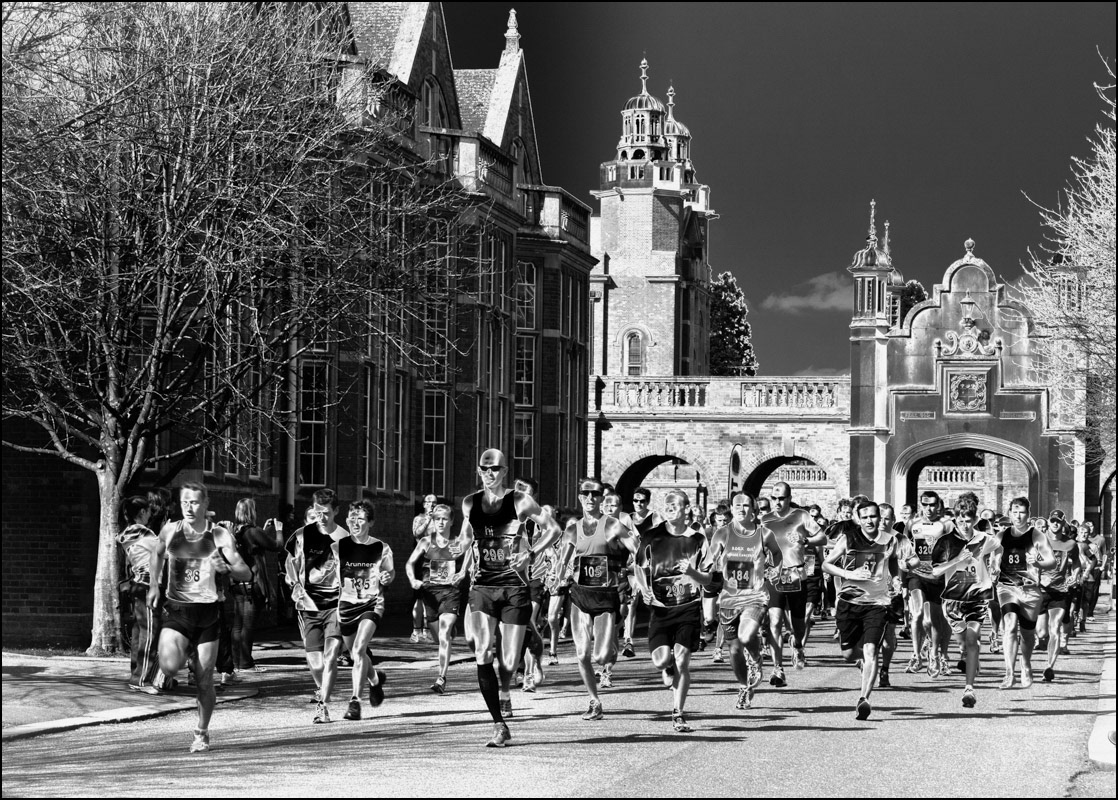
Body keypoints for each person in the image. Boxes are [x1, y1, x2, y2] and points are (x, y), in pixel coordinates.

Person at [460, 448, 562, 748]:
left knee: (507, 659)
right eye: (485, 469)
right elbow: (466, 536)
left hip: (515, 587)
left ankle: (507, 686)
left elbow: (553, 529)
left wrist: (531, 552)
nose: (490, 474)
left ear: (505, 472)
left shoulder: (519, 500)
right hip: (483, 587)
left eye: (496, 469)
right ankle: (499, 724)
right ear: (479, 470)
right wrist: (455, 548)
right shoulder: (470, 503)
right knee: (482, 652)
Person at [147, 482, 252, 753]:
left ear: (206, 504)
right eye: (185, 503)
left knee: (205, 680)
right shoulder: (171, 530)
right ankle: (180, 655)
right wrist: (155, 585)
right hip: (179, 610)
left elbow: (245, 572)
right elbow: (156, 554)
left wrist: (226, 567)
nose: (189, 507)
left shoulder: (218, 535)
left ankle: (201, 732)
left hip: (208, 615)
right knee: (170, 668)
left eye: (194, 502)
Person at [554, 478, 637, 720]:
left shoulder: (612, 525)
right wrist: (558, 578)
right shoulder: (572, 529)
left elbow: (636, 548)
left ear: (602, 498)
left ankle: (612, 645)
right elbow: (562, 560)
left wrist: (639, 562)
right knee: (581, 654)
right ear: (580, 497)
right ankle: (594, 700)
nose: (590, 498)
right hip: (580, 594)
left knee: (601, 656)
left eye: (595, 494)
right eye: (585, 493)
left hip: (605, 596)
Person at [633, 489, 712, 733]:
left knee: (683, 660)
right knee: (661, 660)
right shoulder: (651, 536)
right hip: (660, 608)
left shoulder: (698, 539)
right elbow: (639, 566)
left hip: (687, 608)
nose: (669, 508)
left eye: (674, 504)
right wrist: (645, 589)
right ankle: (667, 668)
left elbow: (709, 579)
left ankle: (678, 712)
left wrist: (692, 573)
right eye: (666, 505)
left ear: (687, 509)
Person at [822, 500, 900, 721]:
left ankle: (863, 699)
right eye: (865, 517)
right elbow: (826, 564)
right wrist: (849, 575)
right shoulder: (848, 538)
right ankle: (861, 662)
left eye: (874, 516)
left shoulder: (890, 541)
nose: (870, 521)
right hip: (850, 602)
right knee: (848, 653)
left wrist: (895, 579)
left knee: (871, 650)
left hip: (877, 604)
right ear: (858, 518)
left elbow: (892, 561)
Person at [707, 491, 781, 710]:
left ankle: (756, 657)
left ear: (753, 509)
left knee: (746, 634)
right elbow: (711, 557)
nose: (741, 509)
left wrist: (774, 570)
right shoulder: (722, 533)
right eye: (737, 505)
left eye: (746, 505)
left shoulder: (763, 534)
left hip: (755, 596)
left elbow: (777, 554)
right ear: (732, 507)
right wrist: (708, 566)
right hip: (729, 598)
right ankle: (744, 687)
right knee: (734, 650)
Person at [284, 489, 349, 723]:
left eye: (327, 513)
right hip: (308, 606)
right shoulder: (301, 536)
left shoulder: (344, 537)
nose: (321, 517)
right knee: (316, 662)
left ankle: (322, 705)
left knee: (330, 657)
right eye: (317, 512)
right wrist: (292, 582)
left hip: (335, 605)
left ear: (336, 511)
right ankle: (323, 688)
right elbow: (289, 564)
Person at [759, 482, 827, 685]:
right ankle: (777, 669)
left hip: (797, 574)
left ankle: (797, 645)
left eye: (781, 498)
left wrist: (806, 541)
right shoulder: (764, 519)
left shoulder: (801, 516)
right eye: (774, 498)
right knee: (775, 621)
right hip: (773, 575)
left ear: (789, 498)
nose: (777, 502)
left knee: (798, 625)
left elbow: (822, 538)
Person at [930, 496, 994, 708]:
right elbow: (936, 571)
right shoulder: (945, 542)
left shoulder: (985, 538)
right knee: (962, 641)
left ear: (975, 519)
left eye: (969, 520)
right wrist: (958, 559)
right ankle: (966, 656)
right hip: (954, 598)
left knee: (973, 638)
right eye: (961, 520)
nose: (965, 525)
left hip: (978, 595)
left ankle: (969, 689)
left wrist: (997, 565)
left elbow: (1002, 547)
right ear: (955, 519)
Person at [989, 497, 1057, 689]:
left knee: (1028, 634)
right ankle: (1009, 673)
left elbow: (1052, 561)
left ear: (1028, 514)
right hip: (1007, 587)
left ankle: (1025, 663)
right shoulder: (1001, 536)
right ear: (1010, 513)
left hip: (1030, 591)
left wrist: (1037, 563)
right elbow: (993, 558)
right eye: (1014, 512)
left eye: (1022, 512)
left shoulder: (1036, 536)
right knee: (1009, 625)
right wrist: (993, 568)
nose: (1018, 516)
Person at [335, 499, 393, 720]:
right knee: (355, 653)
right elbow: (327, 573)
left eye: (360, 519)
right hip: (347, 606)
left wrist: (387, 577)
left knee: (359, 650)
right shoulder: (338, 547)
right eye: (352, 518)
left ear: (370, 523)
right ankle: (375, 680)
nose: (355, 522)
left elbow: (390, 573)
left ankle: (355, 702)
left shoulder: (381, 547)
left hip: (371, 604)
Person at [407, 503, 468, 693]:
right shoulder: (426, 541)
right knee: (437, 637)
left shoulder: (457, 542)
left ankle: (441, 678)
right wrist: (413, 580)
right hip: (430, 594)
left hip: (451, 593)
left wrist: (463, 572)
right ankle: (450, 632)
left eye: (444, 519)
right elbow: (410, 563)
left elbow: (472, 554)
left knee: (443, 633)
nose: (440, 523)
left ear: (451, 521)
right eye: (437, 519)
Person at [118, 495, 167, 693]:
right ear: (142, 513)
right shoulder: (143, 534)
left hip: (138, 585)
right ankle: (142, 680)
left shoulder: (128, 533)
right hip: (148, 586)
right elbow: (164, 551)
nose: (149, 515)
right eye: (147, 511)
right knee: (150, 633)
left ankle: (136, 674)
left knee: (139, 633)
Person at [229, 498, 284, 674]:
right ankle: (246, 663)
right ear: (251, 512)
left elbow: (253, 544)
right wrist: (279, 530)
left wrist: (265, 530)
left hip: (237, 582)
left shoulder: (234, 532)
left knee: (238, 624)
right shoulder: (254, 531)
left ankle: (236, 662)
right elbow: (277, 546)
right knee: (249, 625)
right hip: (253, 584)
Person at [902, 491, 951, 678]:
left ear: (938, 505)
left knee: (934, 619)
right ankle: (916, 655)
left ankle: (935, 653)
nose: (929, 509)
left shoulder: (946, 525)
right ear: (921, 505)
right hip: (916, 575)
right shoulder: (911, 524)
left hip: (938, 577)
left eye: (932, 505)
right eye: (925, 505)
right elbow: (904, 550)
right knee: (917, 615)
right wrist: (902, 579)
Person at [1034, 511, 1081, 682]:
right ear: (1048, 522)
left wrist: (1074, 576)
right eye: (1052, 521)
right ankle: (1042, 645)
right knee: (1041, 632)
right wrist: (1036, 577)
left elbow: (1076, 563)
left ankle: (1049, 667)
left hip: (1060, 590)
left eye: (1058, 521)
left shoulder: (1070, 544)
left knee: (1055, 628)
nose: (1055, 524)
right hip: (1041, 590)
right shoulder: (1038, 540)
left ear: (1063, 524)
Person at [410, 494, 439, 643]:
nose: (432, 505)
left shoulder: (439, 520)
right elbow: (417, 533)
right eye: (429, 502)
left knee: (432, 596)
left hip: (435, 560)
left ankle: (428, 630)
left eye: (434, 502)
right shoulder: (419, 519)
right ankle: (416, 631)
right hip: (421, 561)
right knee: (420, 596)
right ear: (424, 504)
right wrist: (428, 519)